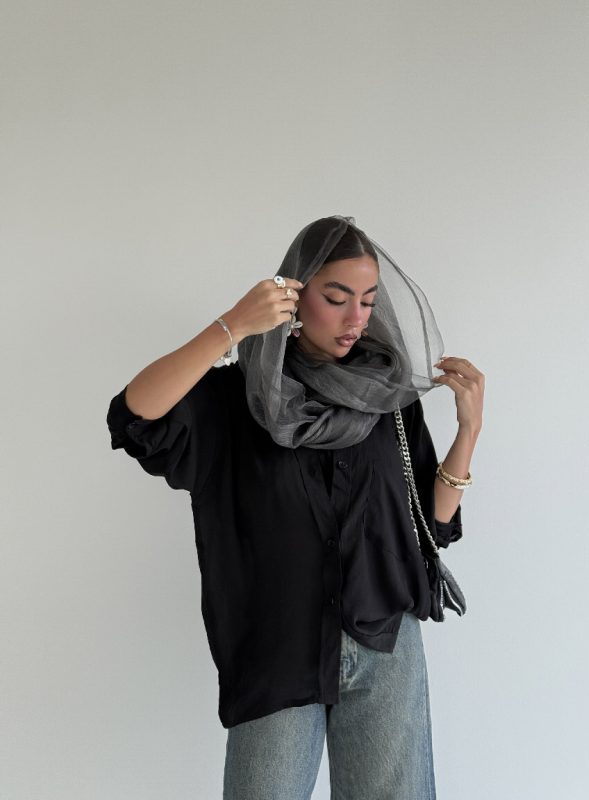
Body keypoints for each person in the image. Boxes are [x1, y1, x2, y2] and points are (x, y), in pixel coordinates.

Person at [106, 215, 484, 799]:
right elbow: (135, 416)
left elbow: (430, 528)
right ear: (295, 295)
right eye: (336, 298)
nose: (356, 318)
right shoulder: (236, 401)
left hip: (385, 642)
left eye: (368, 300)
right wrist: (232, 326)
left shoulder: (386, 400)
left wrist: (468, 431)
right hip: (277, 649)